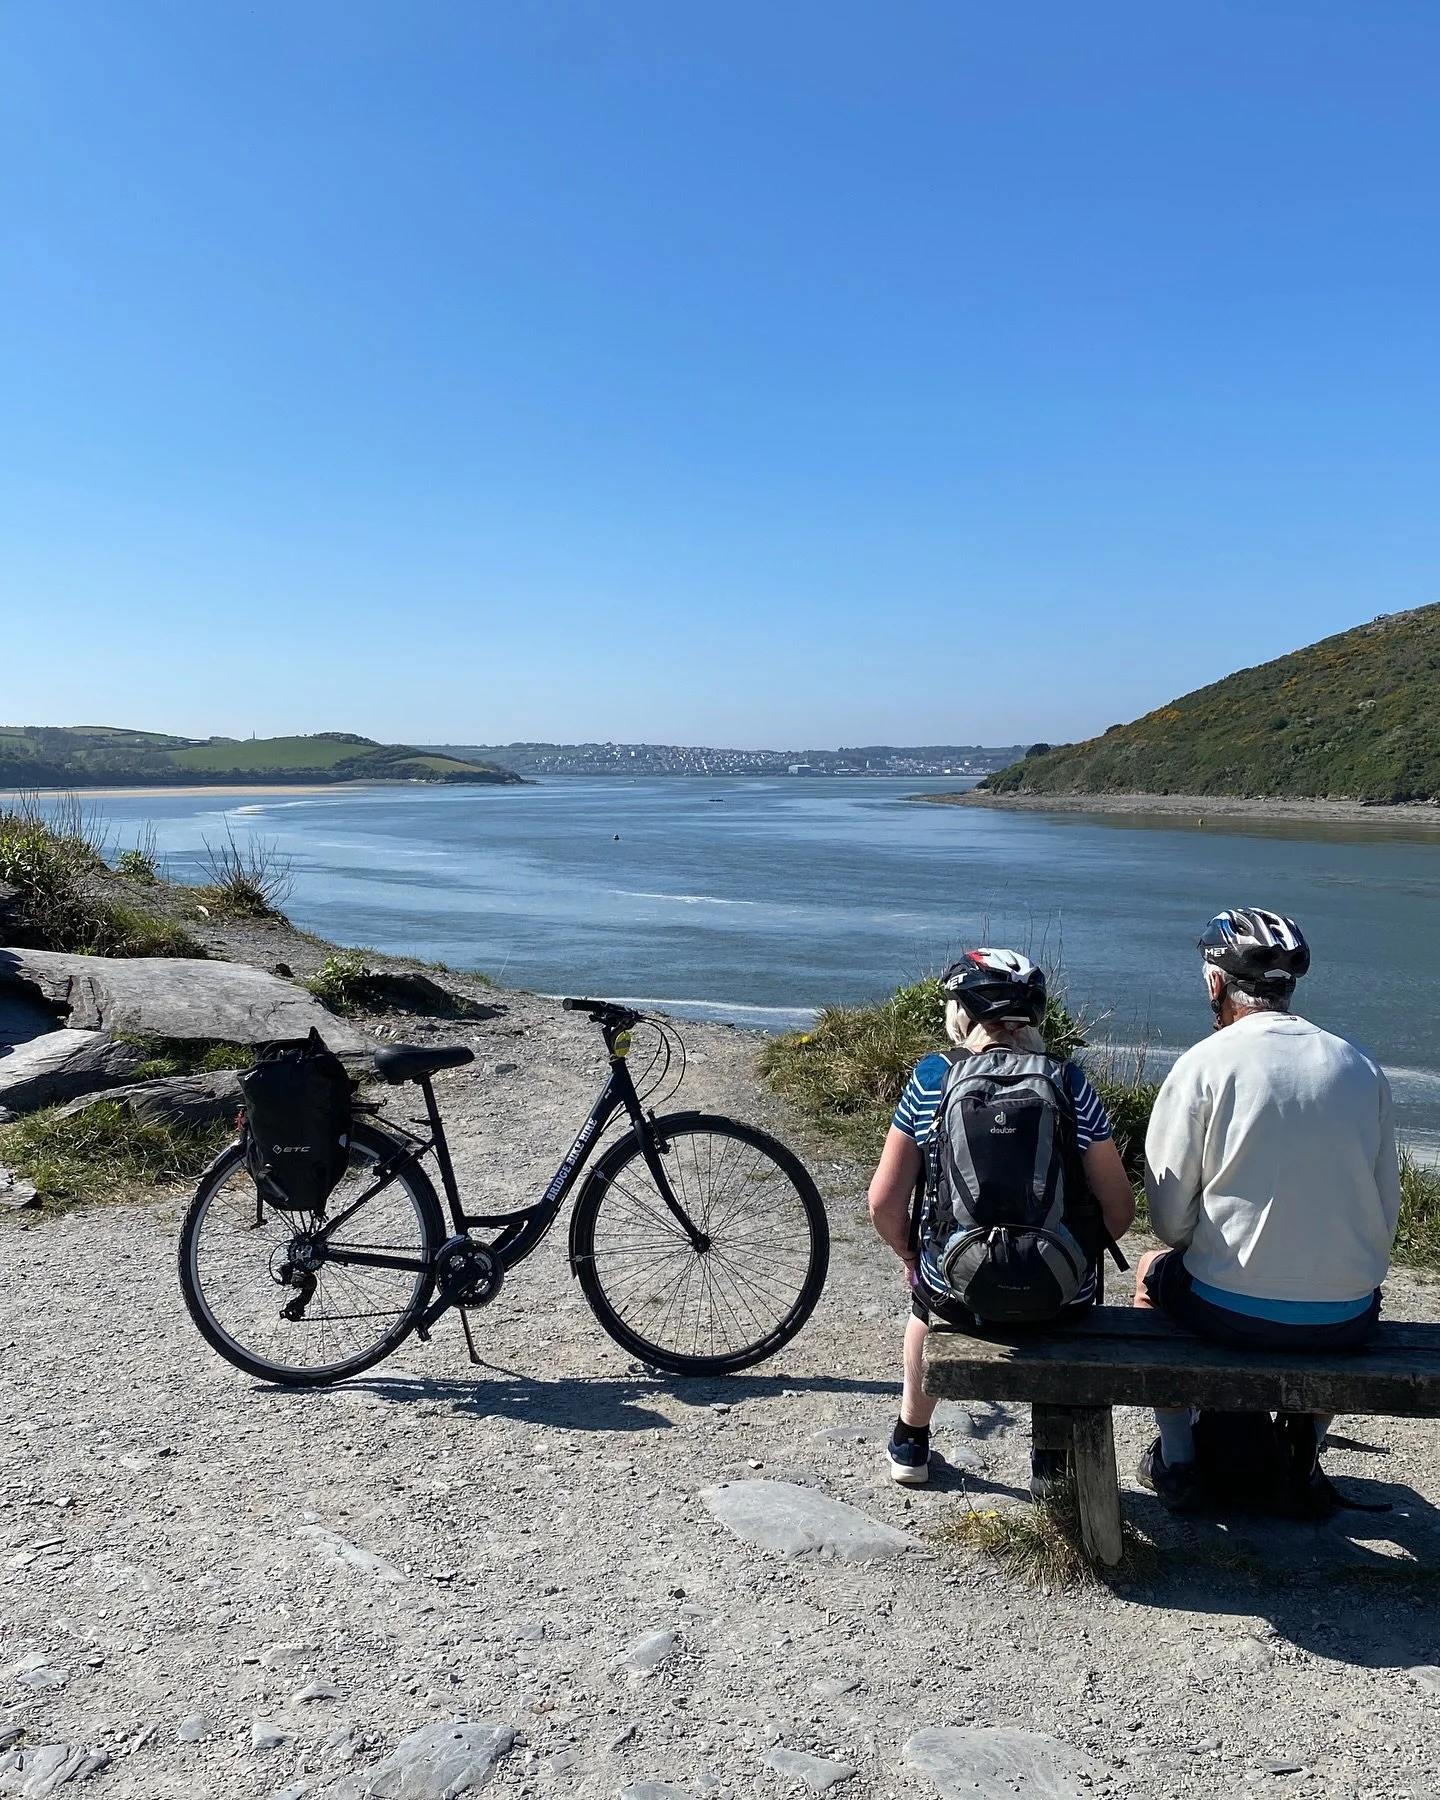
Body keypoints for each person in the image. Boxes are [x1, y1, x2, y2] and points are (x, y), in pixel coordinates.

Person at [1136, 907, 1401, 1511]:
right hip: (1344, 1318)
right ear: (1289, 987)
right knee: (1340, 1285)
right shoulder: (1359, 1065)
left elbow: (1170, 1222)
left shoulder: (1203, 1065)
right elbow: (1384, 1216)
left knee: (1152, 1272)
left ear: (1215, 982)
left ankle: (1178, 1459)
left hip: (1230, 1315)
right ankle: (1303, 1453)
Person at [867, 949, 1136, 1490]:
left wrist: (912, 1258)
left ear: (960, 1014)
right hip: (1061, 1299)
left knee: (926, 1304)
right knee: (1069, 1299)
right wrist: (1071, 1256)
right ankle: (1050, 1463)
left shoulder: (933, 1077)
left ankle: (911, 1442)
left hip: (958, 1293)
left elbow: (883, 1204)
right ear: (1032, 1017)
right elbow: (1120, 1209)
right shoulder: (1069, 1081)